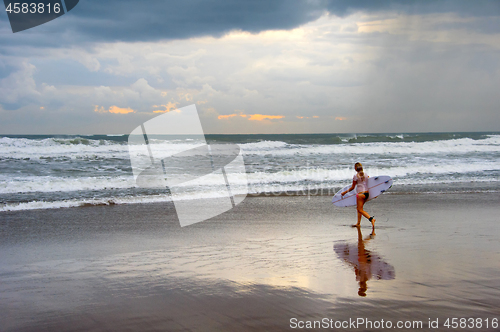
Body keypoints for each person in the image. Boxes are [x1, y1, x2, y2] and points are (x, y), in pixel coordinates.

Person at [341, 162, 376, 228]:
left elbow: (352, 187)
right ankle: (358, 223)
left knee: (360, 210)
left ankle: (371, 219)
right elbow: (370, 184)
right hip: (367, 193)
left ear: (356, 168)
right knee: (359, 209)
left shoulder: (355, 176)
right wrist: (375, 194)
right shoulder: (366, 174)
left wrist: (344, 192)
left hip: (360, 195)